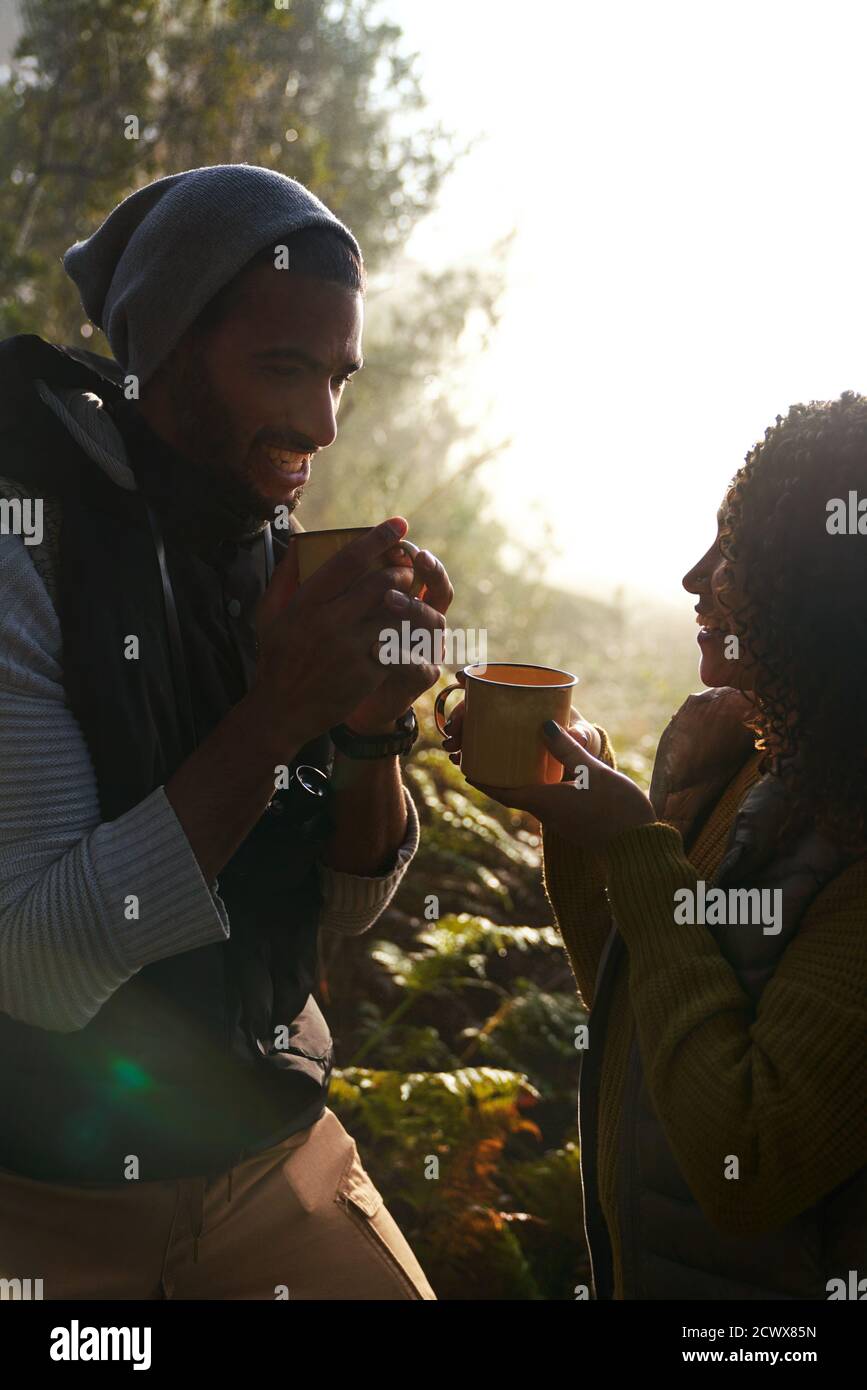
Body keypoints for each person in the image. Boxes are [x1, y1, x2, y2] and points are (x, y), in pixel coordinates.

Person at [0, 164, 452, 1300]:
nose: (322, 423)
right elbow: (40, 966)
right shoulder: (25, 549)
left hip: (268, 1157)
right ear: (161, 346)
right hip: (44, 1193)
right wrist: (279, 714)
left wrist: (366, 732)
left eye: (340, 375)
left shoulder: (264, 542)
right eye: (283, 367)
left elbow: (335, 916)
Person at [442, 395, 867, 1299]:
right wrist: (578, 817)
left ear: (823, 587)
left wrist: (635, 842)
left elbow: (744, 1155)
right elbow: (647, 1012)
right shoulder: (763, 770)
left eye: (734, 552)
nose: (692, 578)